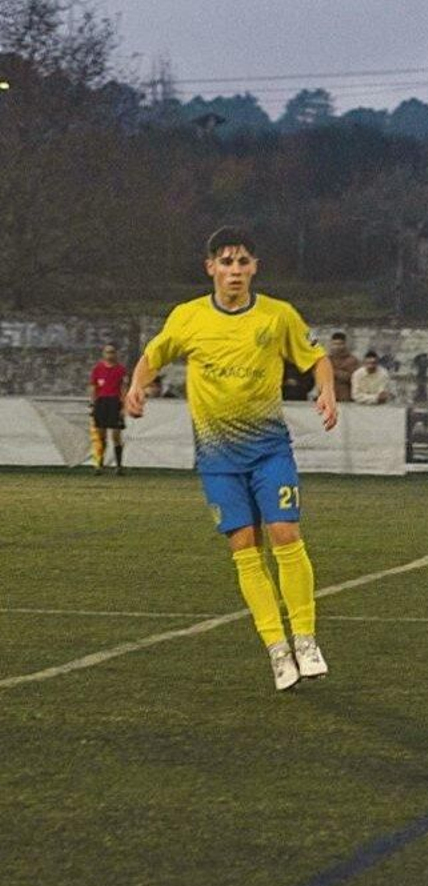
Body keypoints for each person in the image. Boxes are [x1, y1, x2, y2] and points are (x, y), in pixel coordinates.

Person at [124, 226, 337, 692]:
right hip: (218, 457)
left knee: (285, 532)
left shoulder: (277, 316)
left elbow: (316, 357)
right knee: (245, 547)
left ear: (255, 267)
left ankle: (305, 640)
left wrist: (328, 389)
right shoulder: (188, 318)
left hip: (269, 450)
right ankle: (277, 651)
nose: (235, 271)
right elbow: (152, 355)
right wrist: (137, 384)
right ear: (210, 268)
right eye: (226, 262)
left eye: (243, 262)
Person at [88, 343, 128, 475]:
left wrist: (123, 406)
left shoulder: (121, 370)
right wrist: (93, 404)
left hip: (114, 402)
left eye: (112, 352)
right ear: (103, 354)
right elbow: (94, 388)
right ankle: (99, 464)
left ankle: (119, 466)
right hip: (101, 402)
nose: (110, 355)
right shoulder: (97, 369)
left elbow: (123, 388)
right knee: (101, 436)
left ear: (116, 354)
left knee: (116, 435)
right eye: (107, 352)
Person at [325, 331, 360, 402]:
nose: (337, 347)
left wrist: (333, 372)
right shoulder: (326, 360)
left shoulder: (352, 360)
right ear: (331, 344)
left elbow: (352, 378)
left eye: (340, 344)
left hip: (345, 397)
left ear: (345, 344)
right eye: (335, 344)